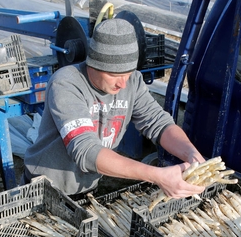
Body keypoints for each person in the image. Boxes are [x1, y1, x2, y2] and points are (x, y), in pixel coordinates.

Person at [24, 18, 206, 200]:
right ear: (93, 63)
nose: (122, 83)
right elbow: (85, 150)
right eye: (113, 75)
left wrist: (190, 153)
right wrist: (157, 175)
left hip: (88, 185)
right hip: (45, 187)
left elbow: (158, 122)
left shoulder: (132, 82)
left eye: (128, 73)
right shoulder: (66, 83)